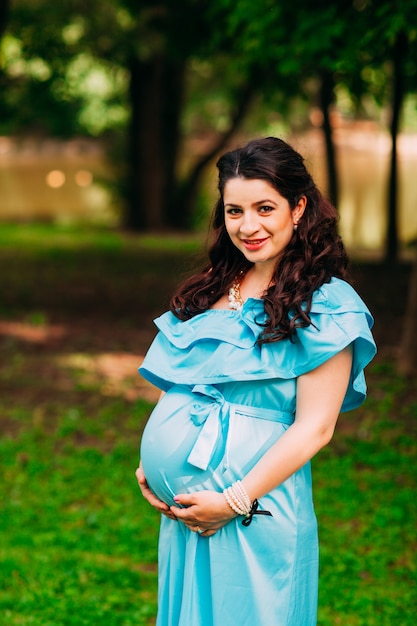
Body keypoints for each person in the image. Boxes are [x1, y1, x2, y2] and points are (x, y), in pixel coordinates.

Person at [135, 136, 376, 626]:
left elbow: (315, 427)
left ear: (299, 206)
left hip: (252, 507)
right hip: (188, 512)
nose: (248, 226)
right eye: (234, 211)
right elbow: (188, 377)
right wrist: (154, 459)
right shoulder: (215, 286)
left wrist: (232, 501)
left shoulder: (327, 303)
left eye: (265, 207)